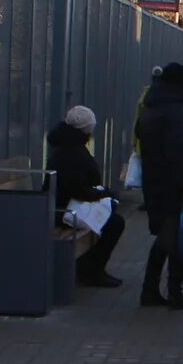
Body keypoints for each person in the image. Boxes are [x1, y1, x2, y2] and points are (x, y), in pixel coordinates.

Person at [138, 63, 183, 308]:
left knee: (166, 239)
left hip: (156, 184)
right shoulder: (177, 112)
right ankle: (174, 293)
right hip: (175, 189)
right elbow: (179, 153)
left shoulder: (151, 108)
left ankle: (151, 290)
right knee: (179, 240)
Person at [47, 105, 126, 287]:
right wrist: (104, 193)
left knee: (110, 218)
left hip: (62, 205)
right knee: (114, 223)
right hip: (65, 211)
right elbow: (79, 190)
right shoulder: (73, 152)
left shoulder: (66, 145)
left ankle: (89, 268)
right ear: (87, 129)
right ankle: (91, 271)